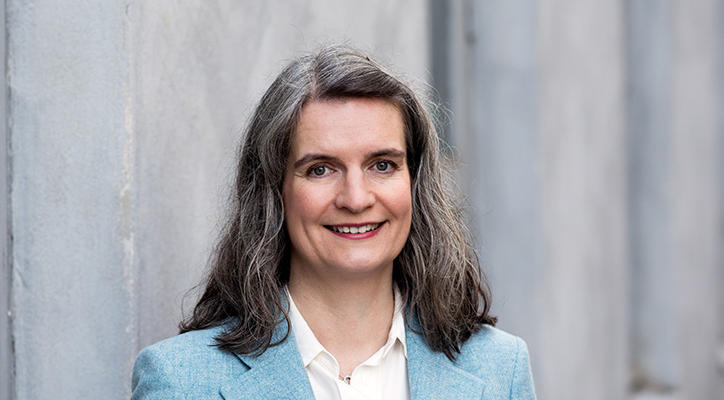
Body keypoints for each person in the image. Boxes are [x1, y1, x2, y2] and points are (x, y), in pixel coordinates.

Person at [131, 44, 536, 399]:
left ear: (415, 183)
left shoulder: (499, 370)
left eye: (382, 165)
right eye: (320, 169)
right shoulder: (181, 382)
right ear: (273, 192)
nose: (356, 199)